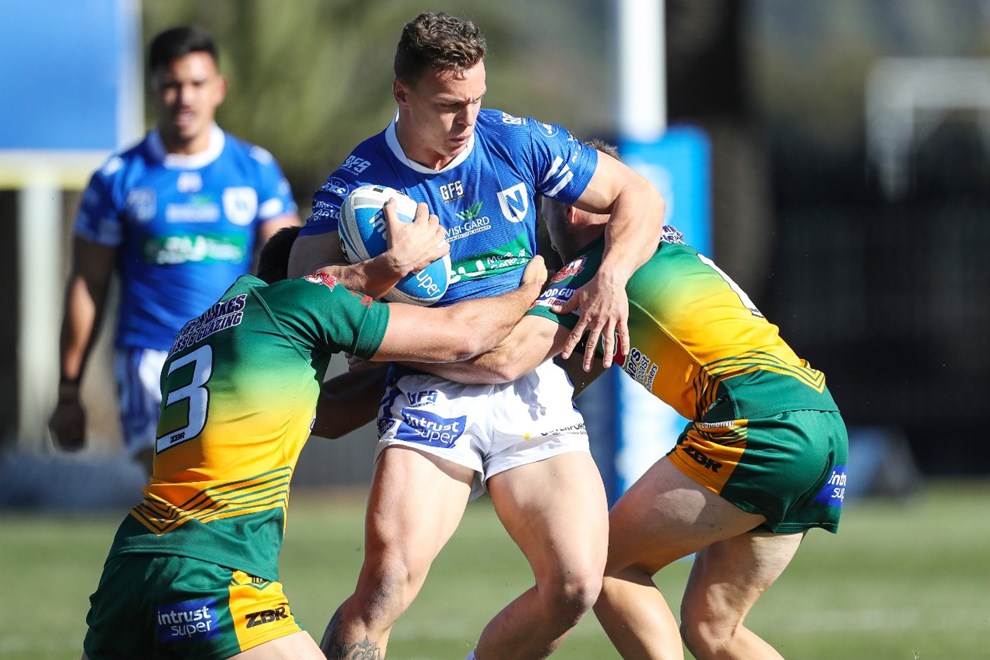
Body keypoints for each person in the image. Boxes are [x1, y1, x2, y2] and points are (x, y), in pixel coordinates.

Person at [287, 11, 665, 659]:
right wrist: (385, 269)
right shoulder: (363, 181)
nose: (467, 119)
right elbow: (303, 286)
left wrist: (612, 279)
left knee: (574, 586)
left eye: (476, 99)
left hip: (528, 387)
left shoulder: (515, 140)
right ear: (403, 94)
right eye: (448, 105)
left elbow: (641, 197)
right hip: (430, 392)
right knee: (384, 588)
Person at [426, 141, 849, 659]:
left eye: (548, 206)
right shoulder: (665, 248)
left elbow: (506, 360)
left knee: (606, 566)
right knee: (714, 628)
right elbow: (573, 370)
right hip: (824, 425)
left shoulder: (595, 267)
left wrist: (386, 341)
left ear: (571, 207)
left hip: (756, 427)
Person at [79, 204, 549, 660]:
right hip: (213, 566)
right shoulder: (301, 302)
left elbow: (329, 415)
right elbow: (463, 337)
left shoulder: (200, 334)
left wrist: (400, 364)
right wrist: (530, 291)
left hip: (129, 565)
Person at [50, 25, 301, 474]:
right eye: (171, 85)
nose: (185, 97)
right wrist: (69, 390)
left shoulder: (254, 170)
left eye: (197, 84)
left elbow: (290, 263)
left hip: (233, 350)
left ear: (218, 89)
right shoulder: (118, 177)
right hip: (149, 358)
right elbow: (88, 284)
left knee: (229, 487)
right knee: (177, 482)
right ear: (152, 89)